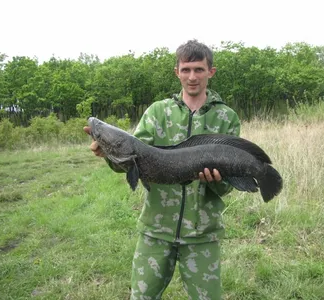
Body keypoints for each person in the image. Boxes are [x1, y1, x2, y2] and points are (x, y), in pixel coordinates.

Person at [84, 40, 240, 299]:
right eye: (186, 69)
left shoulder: (227, 118)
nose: (192, 77)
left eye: (199, 70)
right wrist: (108, 155)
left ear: (210, 72)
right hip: (156, 230)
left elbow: (226, 184)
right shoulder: (157, 112)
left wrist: (216, 180)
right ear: (176, 71)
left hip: (202, 232)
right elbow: (131, 161)